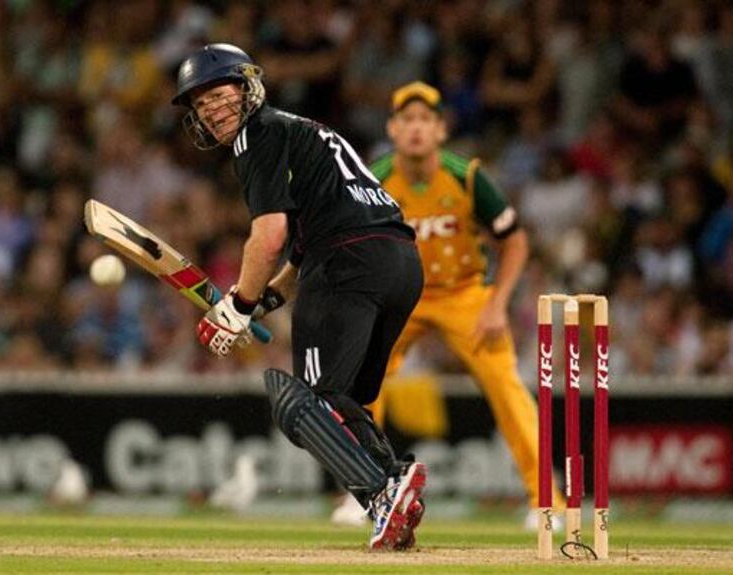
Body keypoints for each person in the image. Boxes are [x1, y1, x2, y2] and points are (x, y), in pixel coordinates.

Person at [171, 44, 426, 551]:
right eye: (201, 107)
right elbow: (302, 249)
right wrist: (262, 302)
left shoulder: (258, 135)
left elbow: (269, 236)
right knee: (339, 400)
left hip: (347, 263)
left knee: (303, 405)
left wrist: (236, 308)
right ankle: (394, 484)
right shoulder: (304, 132)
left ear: (248, 90)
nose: (213, 112)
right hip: (398, 263)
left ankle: (382, 491)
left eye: (220, 96)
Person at [331, 81, 565, 530]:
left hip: (464, 295)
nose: (416, 129)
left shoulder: (467, 177)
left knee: (508, 388)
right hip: (400, 297)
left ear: (441, 129)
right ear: (393, 129)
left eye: (425, 120)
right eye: (408, 121)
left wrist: (498, 303)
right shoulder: (373, 178)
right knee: (361, 388)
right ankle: (361, 495)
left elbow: (514, 241)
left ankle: (546, 502)